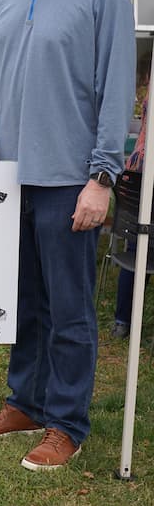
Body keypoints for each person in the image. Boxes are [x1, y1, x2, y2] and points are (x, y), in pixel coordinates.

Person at [0, 0, 136, 471]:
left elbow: (116, 91)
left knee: (70, 309)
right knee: (23, 301)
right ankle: (25, 403)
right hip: (7, 181)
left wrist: (102, 176)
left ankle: (66, 422)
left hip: (70, 179)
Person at [112, 82, 149, 340]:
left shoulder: (150, 93)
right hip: (145, 175)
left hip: (135, 171)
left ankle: (122, 322)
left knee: (136, 248)